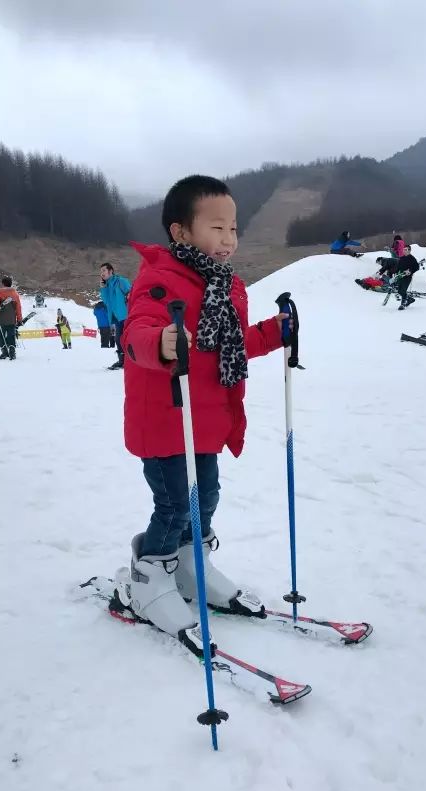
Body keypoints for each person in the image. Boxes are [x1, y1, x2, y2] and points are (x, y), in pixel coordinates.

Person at [112, 174, 287, 655]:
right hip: (166, 419)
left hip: (205, 421)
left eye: (233, 229)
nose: (228, 239)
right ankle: (149, 576)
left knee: (204, 498)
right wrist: (160, 342)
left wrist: (273, 333)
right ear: (181, 232)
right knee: (171, 505)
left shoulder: (226, 286)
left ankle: (191, 565)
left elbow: (228, 348)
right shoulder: (159, 280)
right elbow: (135, 334)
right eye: (217, 228)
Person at [100, 263, 131, 369]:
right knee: (119, 339)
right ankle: (122, 361)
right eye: (101, 271)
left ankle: (128, 361)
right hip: (116, 317)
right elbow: (106, 302)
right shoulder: (106, 286)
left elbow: (132, 293)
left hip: (126, 315)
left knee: (124, 338)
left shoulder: (120, 281)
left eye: (104, 270)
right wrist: (103, 288)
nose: (102, 273)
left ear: (111, 271)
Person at [0, 275, 22, 360]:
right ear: (11, 284)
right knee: (11, 335)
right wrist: (19, 319)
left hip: (1, 319)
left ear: (3, 284)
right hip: (12, 319)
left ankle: (4, 352)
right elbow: (18, 308)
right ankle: (12, 353)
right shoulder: (15, 294)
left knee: (1, 335)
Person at [394, 245, 420, 310]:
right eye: (403, 249)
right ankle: (410, 299)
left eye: (406, 250)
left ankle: (403, 304)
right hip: (400, 276)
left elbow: (417, 267)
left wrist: (410, 271)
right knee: (399, 291)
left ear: (409, 250)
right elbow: (398, 267)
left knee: (403, 290)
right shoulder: (401, 258)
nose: (404, 251)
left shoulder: (412, 258)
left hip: (407, 277)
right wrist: (395, 273)